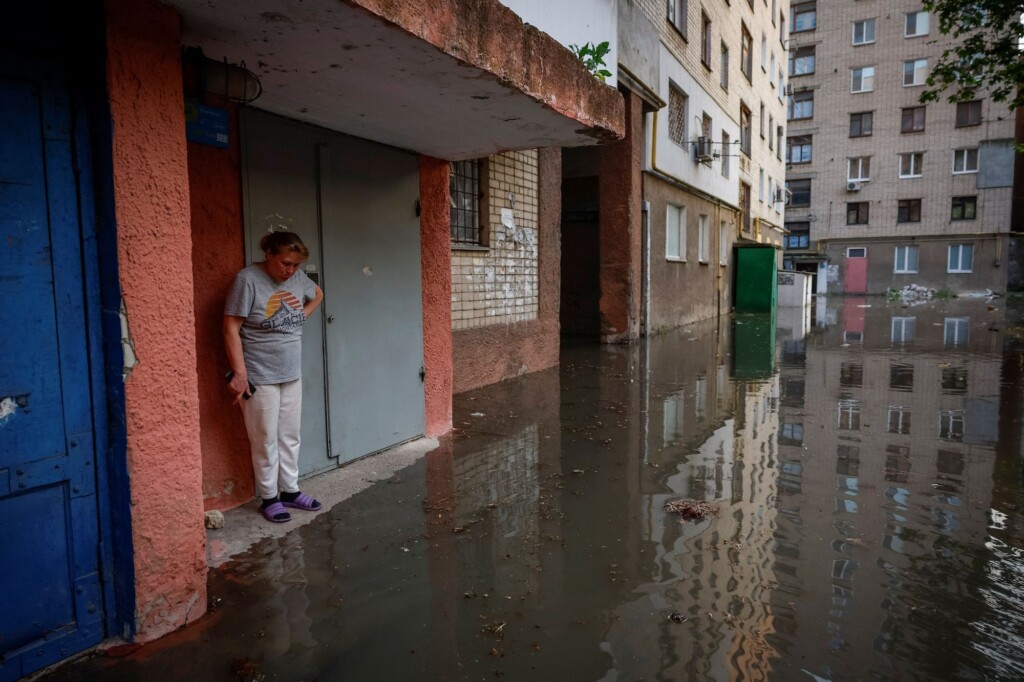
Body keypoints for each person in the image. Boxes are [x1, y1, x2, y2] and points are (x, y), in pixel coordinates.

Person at [224, 231, 325, 523]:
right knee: (265, 438)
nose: (290, 270)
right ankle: (269, 497)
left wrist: (300, 316)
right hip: (259, 375)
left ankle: (290, 491)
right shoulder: (248, 280)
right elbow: (230, 328)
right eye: (286, 263)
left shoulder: (297, 278)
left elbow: (318, 294)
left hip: (291, 372)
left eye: (296, 265)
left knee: (290, 435)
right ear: (268, 253)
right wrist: (240, 374)